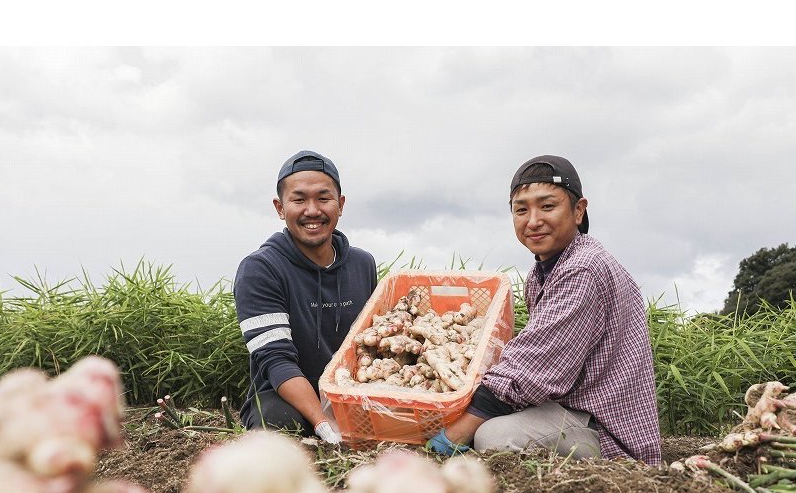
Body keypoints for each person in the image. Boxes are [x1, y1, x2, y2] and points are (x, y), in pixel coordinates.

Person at [428, 155, 661, 465]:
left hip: (603, 430)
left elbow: (535, 367)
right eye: (521, 209)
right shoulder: (544, 272)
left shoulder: (582, 269)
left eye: (547, 206)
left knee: (493, 436)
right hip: (568, 409)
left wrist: (459, 430)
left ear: (579, 211)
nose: (533, 220)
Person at [234, 150, 377, 444]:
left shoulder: (362, 264)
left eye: (323, 198)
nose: (312, 210)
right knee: (277, 423)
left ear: (341, 204)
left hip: (349, 393)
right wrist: (324, 423)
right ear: (280, 207)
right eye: (299, 200)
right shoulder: (260, 269)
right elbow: (276, 361)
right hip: (284, 395)